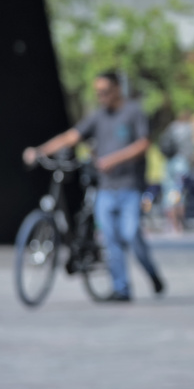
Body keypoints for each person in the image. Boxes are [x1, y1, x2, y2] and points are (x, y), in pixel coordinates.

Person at [23, 71, 165, 301]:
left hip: (130, 187)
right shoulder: (98, 116)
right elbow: (70, 137)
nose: (101, 97)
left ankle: (152, 274)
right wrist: (39, 151)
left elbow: (144, 144)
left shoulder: (133, 112)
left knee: (130, 235)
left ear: (118, 88)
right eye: (98, 93)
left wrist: (113, 159)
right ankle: (122, 289)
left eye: (105, 92)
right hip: (106, 188)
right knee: (110, 238)